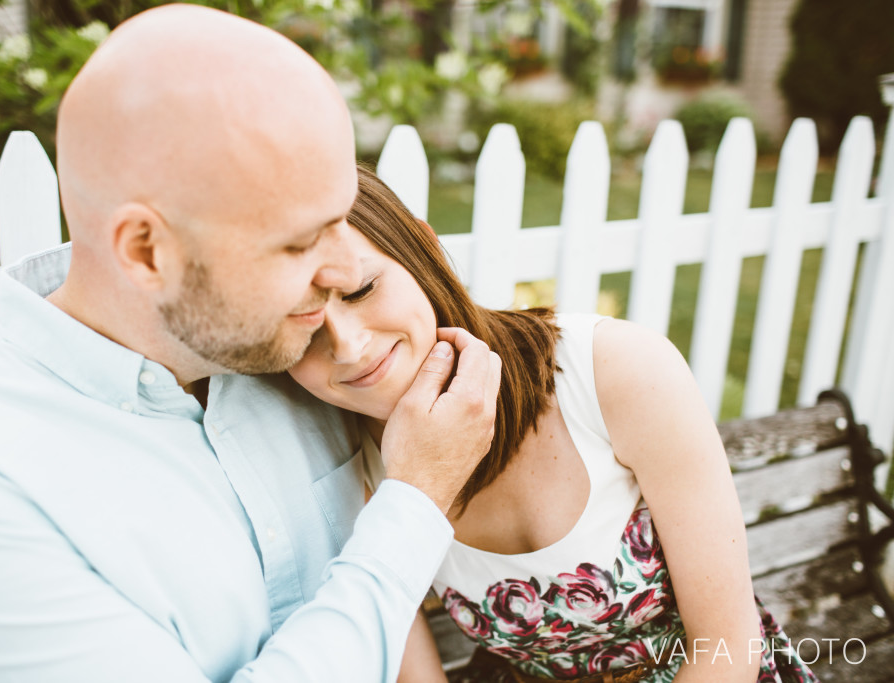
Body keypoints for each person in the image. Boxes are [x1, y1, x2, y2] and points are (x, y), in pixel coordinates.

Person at [0, 6, 502, 683]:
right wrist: (413, 503)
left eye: (339, 220)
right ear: (146, 251)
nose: (344, 270)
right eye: (298, 242)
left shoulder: (293, 353)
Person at [287, 166, 819, 683]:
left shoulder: (615, 372)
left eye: (361, 290)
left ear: (422, 246)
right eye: (304, 325)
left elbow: (728, 649)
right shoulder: (345, 466)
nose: (349, 346)